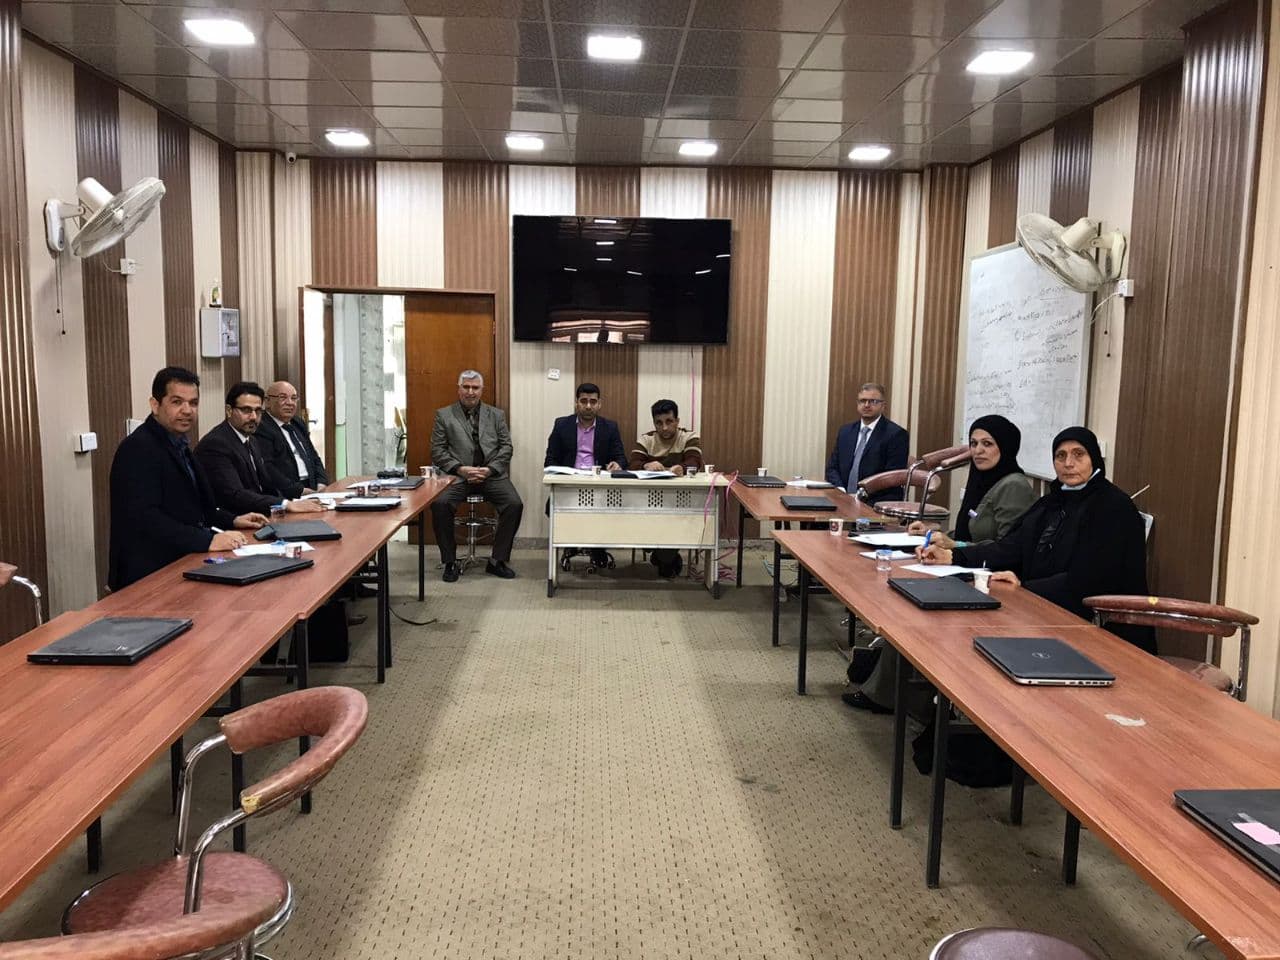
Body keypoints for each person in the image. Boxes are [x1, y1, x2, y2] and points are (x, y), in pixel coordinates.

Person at [846, 415, 1036, 713]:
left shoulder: (1013, 486)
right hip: (966, 568)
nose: (978, 451)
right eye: (974, 443)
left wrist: (954, 549)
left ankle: (893, 695)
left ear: (1007, 447)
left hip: (992, 580)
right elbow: (967, 535)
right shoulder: (982, 480)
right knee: (904, 595)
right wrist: (934, 534)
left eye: (988, 444)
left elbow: (1007, 549)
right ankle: (887, 683)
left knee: (915, 611)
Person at [921, 426, 1154, 651]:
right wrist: (953, 555)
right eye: (1060, 456)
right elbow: (1011, 547)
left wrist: (1024, 587)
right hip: (1039, 613)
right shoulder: (1052, 502)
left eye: (1078, 455)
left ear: (1093, 458)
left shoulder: (1113, 507)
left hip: (1101, 632)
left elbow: (1089, 579)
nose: (1068, 463)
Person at [108, 367, 267, 591]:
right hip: (148, 575)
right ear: (155, 405)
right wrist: (207, 540)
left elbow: (197, 510)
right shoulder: (138, 448)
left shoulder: (179, 443)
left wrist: (233, 520)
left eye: (193, 403)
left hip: (182, 562)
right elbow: (145, 518)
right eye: (177, 402)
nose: (187, 410)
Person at [430, 370, 524, 582]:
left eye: (475, 388)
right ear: (459, 389)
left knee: (514, 504)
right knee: (440, 504)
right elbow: (437, 450)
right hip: (457, 476)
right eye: (466, 387)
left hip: (491, 475)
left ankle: (497, 561)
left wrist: (490, 470)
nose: (470, 392)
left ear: (482, 390)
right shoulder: (444, 415)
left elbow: (506, 447)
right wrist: (460, 469)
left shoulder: (496, 415)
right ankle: (449, 562)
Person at [194, 382, 325, 518]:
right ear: (229, 410)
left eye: (257, 411)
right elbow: (235, 495)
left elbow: (267, 485)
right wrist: (285, 504)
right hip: (233, 521)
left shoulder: (251, 439)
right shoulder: (216, 444)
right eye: (246, 410)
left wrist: (291, 504)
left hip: (259, 515)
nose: (253, 417)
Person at [544, 382, 627, 568]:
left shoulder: (610, 427)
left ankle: (597, 547)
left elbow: (621, 457)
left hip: (600, 486)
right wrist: (560, 472)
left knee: (607, 508)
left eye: (593, 401)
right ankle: (571, 542)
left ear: (599, 404)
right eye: (583, 401)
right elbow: (550, 459)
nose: (588, 406)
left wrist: (618, 464)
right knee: (552, 507)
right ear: (576, 403)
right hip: (569, 484)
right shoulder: (562, 425)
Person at [629, 399, 704, 578]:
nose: (664, 427)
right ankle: (661, 554)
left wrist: (682, 468)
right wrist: (646, 465)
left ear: (677, 421)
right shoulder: (646, 439)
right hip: (648, 502)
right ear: (654, 423)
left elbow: (695, 461)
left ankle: (663, 556)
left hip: (680, 503)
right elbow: (632, 464)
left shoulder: (689, 437)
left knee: (666, 563)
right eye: (659, 423)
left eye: (669, 421)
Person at [825, 382, 909, 502]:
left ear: (883, 405)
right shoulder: (845, 432)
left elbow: (891, 478)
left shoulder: (896, 435)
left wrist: (859, 497)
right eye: (863, 401)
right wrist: (841, 490)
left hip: (876, 501)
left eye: (873, 401)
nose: (867, 405)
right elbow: (832, 468)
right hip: (843, 498)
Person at [256, 380, 328, 496]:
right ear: (267, 402)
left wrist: (322, 482)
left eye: (294, 398)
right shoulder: (261, 427)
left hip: (312, 488)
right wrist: (299, 491)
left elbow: (313, 456)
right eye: (283, 397)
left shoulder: (297, 423)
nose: (290, 403)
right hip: (285, 492)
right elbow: (268, 469)